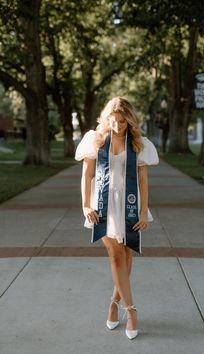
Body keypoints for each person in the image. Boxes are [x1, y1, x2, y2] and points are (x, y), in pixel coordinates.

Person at [75, 96, 159, 339]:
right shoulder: (96, 140)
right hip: (103, 206)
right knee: (116, 256)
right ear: (107, 117)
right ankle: (131, 311)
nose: (119, 125)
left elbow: (143, 178)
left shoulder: (138, 143)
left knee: (127, 254)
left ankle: (113, 304)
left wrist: (144, 211)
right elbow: (87, 175)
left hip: (130, 205)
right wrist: (84, 206)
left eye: (124, 121)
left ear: (129, 121)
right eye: (115, 120)